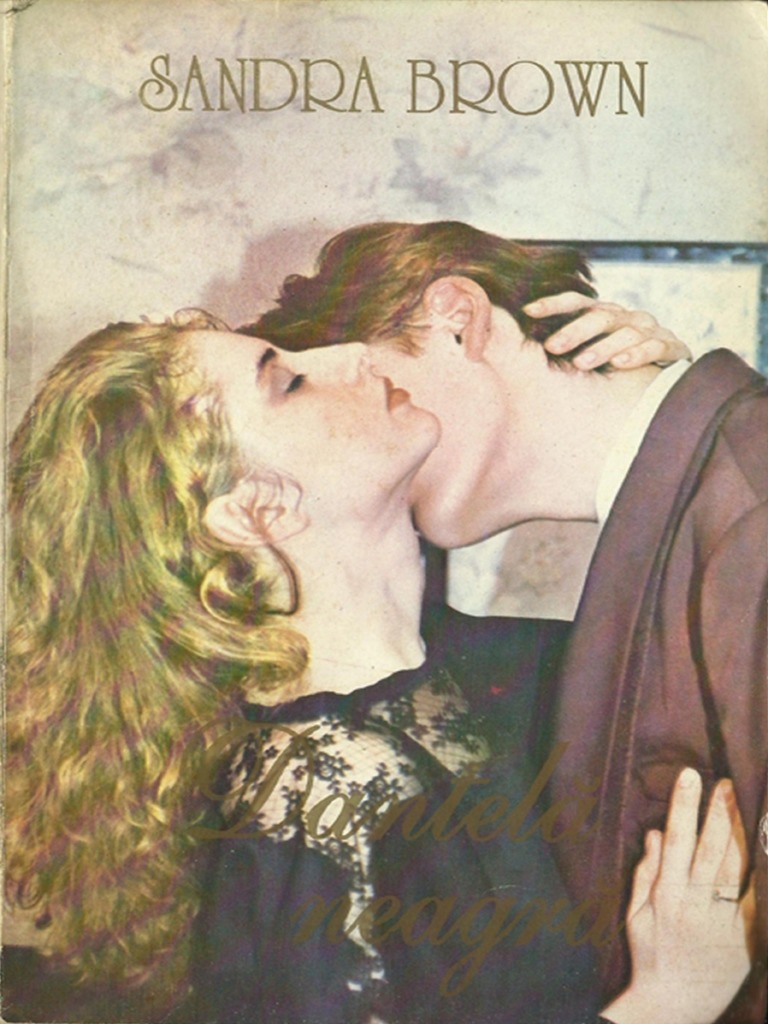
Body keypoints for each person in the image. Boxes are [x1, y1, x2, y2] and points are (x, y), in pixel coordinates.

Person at [3, 312, 753, 1024]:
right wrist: (664, 1005)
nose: (352, 354)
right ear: (253, 509)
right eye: (288, 381)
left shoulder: (493, 666)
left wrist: (664, 405)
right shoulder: (313, 794)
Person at [241, 219, 768, 1022]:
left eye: (372, 380)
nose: (367, 420)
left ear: (459, 319)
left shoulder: (746, 508)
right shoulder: (701, 504)